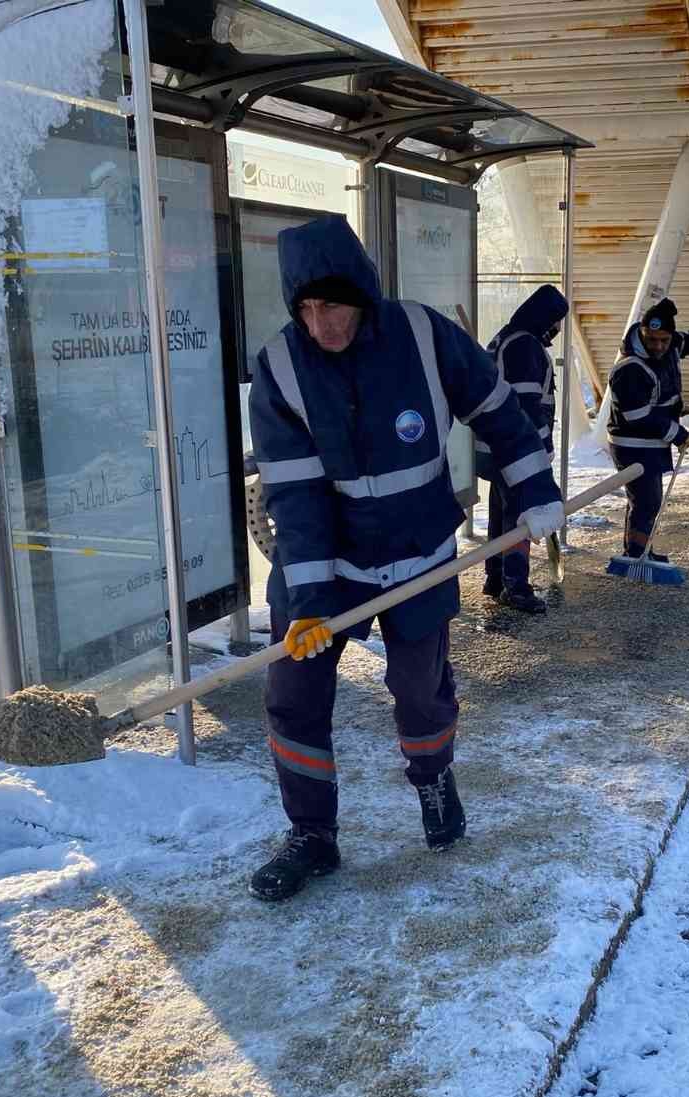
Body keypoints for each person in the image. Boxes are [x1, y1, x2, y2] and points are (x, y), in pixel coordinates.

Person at [245, 215, 563, 902]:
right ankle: (312, 836)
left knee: (420, 692)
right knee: (293, 698)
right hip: (324, 565)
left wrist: (535, 490)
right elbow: (295, 499)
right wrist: (309, 604)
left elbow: (500, 411)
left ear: (360, 289)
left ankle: (433, 780)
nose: (321, 322)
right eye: (306, 308)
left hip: (421, 556)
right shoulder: (279, 370)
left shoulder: (423, 335)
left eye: (331, 303)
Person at [605, 298, 689, 562]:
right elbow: (638, 416)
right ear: (641, 333)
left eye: (663, 340)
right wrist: (677, 434)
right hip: (632, 443)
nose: (658, 346)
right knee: (646, 500)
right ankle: (635, 554)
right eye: (651, 340)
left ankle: (639, 551)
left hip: (652, 442)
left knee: (648, 500)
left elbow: (686, 342)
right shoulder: (629, 368)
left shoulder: (669, 345)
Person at [479, 284, 569, 614]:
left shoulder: (506, 337)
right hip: (517, 451)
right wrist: (540, 449)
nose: (556, 331)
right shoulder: (525, 346)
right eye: (555, 322)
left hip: (497, 448)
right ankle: (516, 586)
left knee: (500, 513)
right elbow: (526, 407)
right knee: (521, 515)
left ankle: (495, 578)